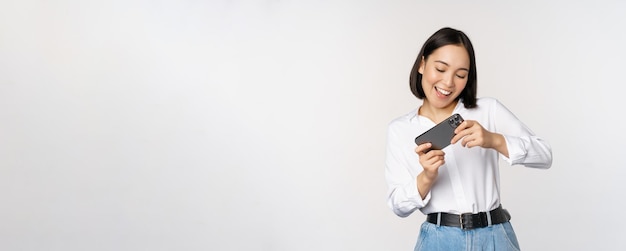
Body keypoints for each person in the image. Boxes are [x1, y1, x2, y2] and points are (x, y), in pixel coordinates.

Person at [384, 27, 552, 251]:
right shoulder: (400, 129)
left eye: (461, 75)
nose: (448, 82)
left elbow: (544, 156)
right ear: (422, 65)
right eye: (441, 69)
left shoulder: (488, 110)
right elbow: (398, 206)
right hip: (438, 241)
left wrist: (494, 140)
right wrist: (427, 176)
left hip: (495, 237)